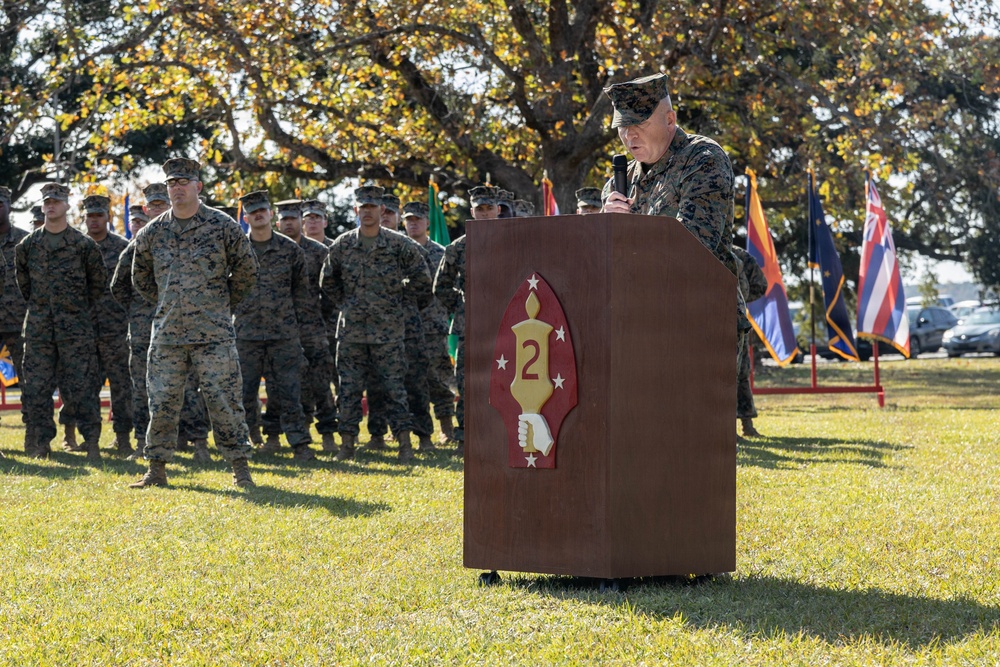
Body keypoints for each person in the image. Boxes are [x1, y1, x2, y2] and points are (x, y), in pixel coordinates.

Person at [601, 73, 749, 363]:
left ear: (670, 119)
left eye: (639, 124)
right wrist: (603, 229)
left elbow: (691, 247)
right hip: (637, 327)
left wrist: (630, 237)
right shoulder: (619, 183)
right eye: (623, 126)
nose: (630, 136)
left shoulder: (702, 159)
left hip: (699, 323)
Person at [130, 158, 259, 488]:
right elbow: (140, 276)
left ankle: (240, 469)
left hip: (213, 332)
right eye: (172, 183)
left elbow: (246, 270)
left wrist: (221, 303)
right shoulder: (153, 231)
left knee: (225, 402)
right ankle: (156, 470)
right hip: (168, 334)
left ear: (198, 187)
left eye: (183, 182)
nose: (177, 188)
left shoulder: (221, 225)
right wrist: (166, 303)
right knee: (162, 403)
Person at [320, 185, 432, 463]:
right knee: (349, 390)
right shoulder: (343, 244)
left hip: (389, 332)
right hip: (352, 332)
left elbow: (422, 280)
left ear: (382, 210)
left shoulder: (398, 244)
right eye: (363, 207)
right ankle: (347, 445)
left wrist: (397, 301)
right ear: (355, 210)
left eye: (373, 207)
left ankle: (404, 445)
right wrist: (347, 304)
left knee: (395, 389)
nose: (367, 211)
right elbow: (327, 282)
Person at [15, 182, 107, 460]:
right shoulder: (28, 246)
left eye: (56, 201)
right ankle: (42, 443)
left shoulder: (83, 245)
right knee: (37, 388)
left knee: (82, 387)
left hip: (75, 330)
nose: (50, 205)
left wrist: (73, 310)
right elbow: (25, 285)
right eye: (46, 202)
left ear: (67, 205)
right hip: (39, 329)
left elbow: (97, 285)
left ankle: (91, 442)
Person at [233, 192, 316, 461]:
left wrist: (302, 334)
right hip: (245, 334)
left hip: (283, 334)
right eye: (252, 212)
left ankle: (297, 444)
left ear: (271, 215)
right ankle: (243, 443)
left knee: (288, 391)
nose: (258, 215)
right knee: (243, 392)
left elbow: (302, 295)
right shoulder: (236, 250)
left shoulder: (291, 250)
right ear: (246, 218)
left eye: (262, 210)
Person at [260, 198, 337, 455]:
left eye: (293, 218)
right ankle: (272, 435)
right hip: (278, 329)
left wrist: (320, 319)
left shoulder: (318, 251)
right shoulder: (267, 248)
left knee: (320, 382)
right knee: (276, 384)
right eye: (284, 219)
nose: (289, 223)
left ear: (300, 221)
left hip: (311, 328)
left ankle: (327, 433)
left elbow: (331, 292)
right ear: (278, 221)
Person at [433, 185, 500, 456]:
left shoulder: (516, 240)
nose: (484, 214)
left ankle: (500, 434)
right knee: (468, 382)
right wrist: (463, 308)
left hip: (507, 325)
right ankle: (465, 438)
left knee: (504, 380)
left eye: (488, 209)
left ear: (497, 210)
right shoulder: (457, 248)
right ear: (472, 211)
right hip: (469, 327)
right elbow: (441, 286)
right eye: (479, 209)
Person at [365, 194, 435, 453]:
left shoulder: (408, 247)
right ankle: (377, 434)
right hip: (374, 327)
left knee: (415, 381)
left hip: (408, 326)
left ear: (395, 216)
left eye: (390, 213)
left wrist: (406, 305)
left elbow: (426, 286)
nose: (384, 218)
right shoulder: (363, 245)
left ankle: (424, 436)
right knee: (377, 383)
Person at [72, 194, 134, 456]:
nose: (94, 220)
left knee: (122, 388)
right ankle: (91, 440)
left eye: (99, 215)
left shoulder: (123, 247)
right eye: (89, 216)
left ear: (108, 217)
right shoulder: (75, 247)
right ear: (84, 218)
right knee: (86, 389)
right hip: (84, 332)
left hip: (116, 331)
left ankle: (123, 438)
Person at [402, 200, 455, 443]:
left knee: (440, 378)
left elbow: (450, 287)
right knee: (412, 380)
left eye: (418, 220)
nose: (413, 224)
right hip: (404, 327)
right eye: (409, 220)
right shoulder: (397, 250)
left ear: (427, 222)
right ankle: (421, 434)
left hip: (434, 326)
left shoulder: (441, 253)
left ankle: (446, 428)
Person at [733, 246, 768, 438]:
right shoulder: (701, 247)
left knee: (741, 372)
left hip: (735, 320)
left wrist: (740, 300)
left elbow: (760, 284)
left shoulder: (740, 256)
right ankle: (724, 426)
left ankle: (747, 424)